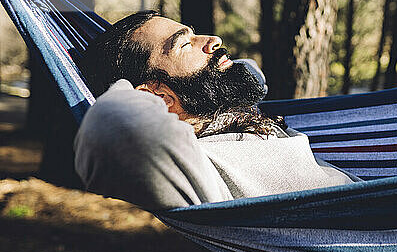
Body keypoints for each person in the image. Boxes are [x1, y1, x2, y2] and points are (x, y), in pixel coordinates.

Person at [74, 11, 358, 210]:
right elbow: (112, 125)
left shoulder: (230, 111)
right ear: (158, 95)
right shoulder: (194, 164)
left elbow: (252, 75)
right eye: (185, 43)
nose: (212, 40)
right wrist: (137, 91)